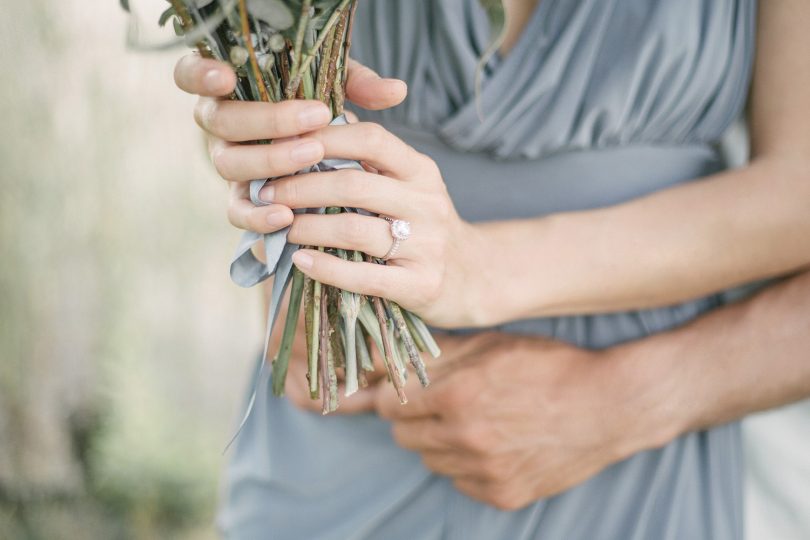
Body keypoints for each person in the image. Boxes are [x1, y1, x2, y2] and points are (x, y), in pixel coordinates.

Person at [172, 0, 810, 538]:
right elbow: (257, 53)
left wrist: (484, 272)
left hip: (615, 445)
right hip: (346, 412)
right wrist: (268, 163)